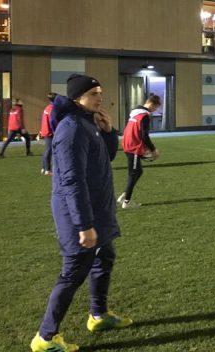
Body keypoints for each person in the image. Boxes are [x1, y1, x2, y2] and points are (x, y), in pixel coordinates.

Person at [30, 74, 132, 352]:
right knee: (74, 271)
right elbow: (71, 181)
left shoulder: (89, 123)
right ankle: (45, 338)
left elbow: (105, 158)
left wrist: (110, 132)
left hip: (96, 208)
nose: (100, 97)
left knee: (105, 256)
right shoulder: (72, 128)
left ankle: (98, 316)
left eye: (100, 92)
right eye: (94, 93)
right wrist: (83, 225)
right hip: (77, 213)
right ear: (78, 98)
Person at [117, 94, 162, 209]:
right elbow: (144, 136)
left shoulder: (135, 112)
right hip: (133, 147)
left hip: (128, 143)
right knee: (134, 173)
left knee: (138, 171)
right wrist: (153, 150)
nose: (154, 110)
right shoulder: (144, 116)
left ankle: (124, 195)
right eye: (155, 108)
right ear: (151, 104)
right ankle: (127, 202)